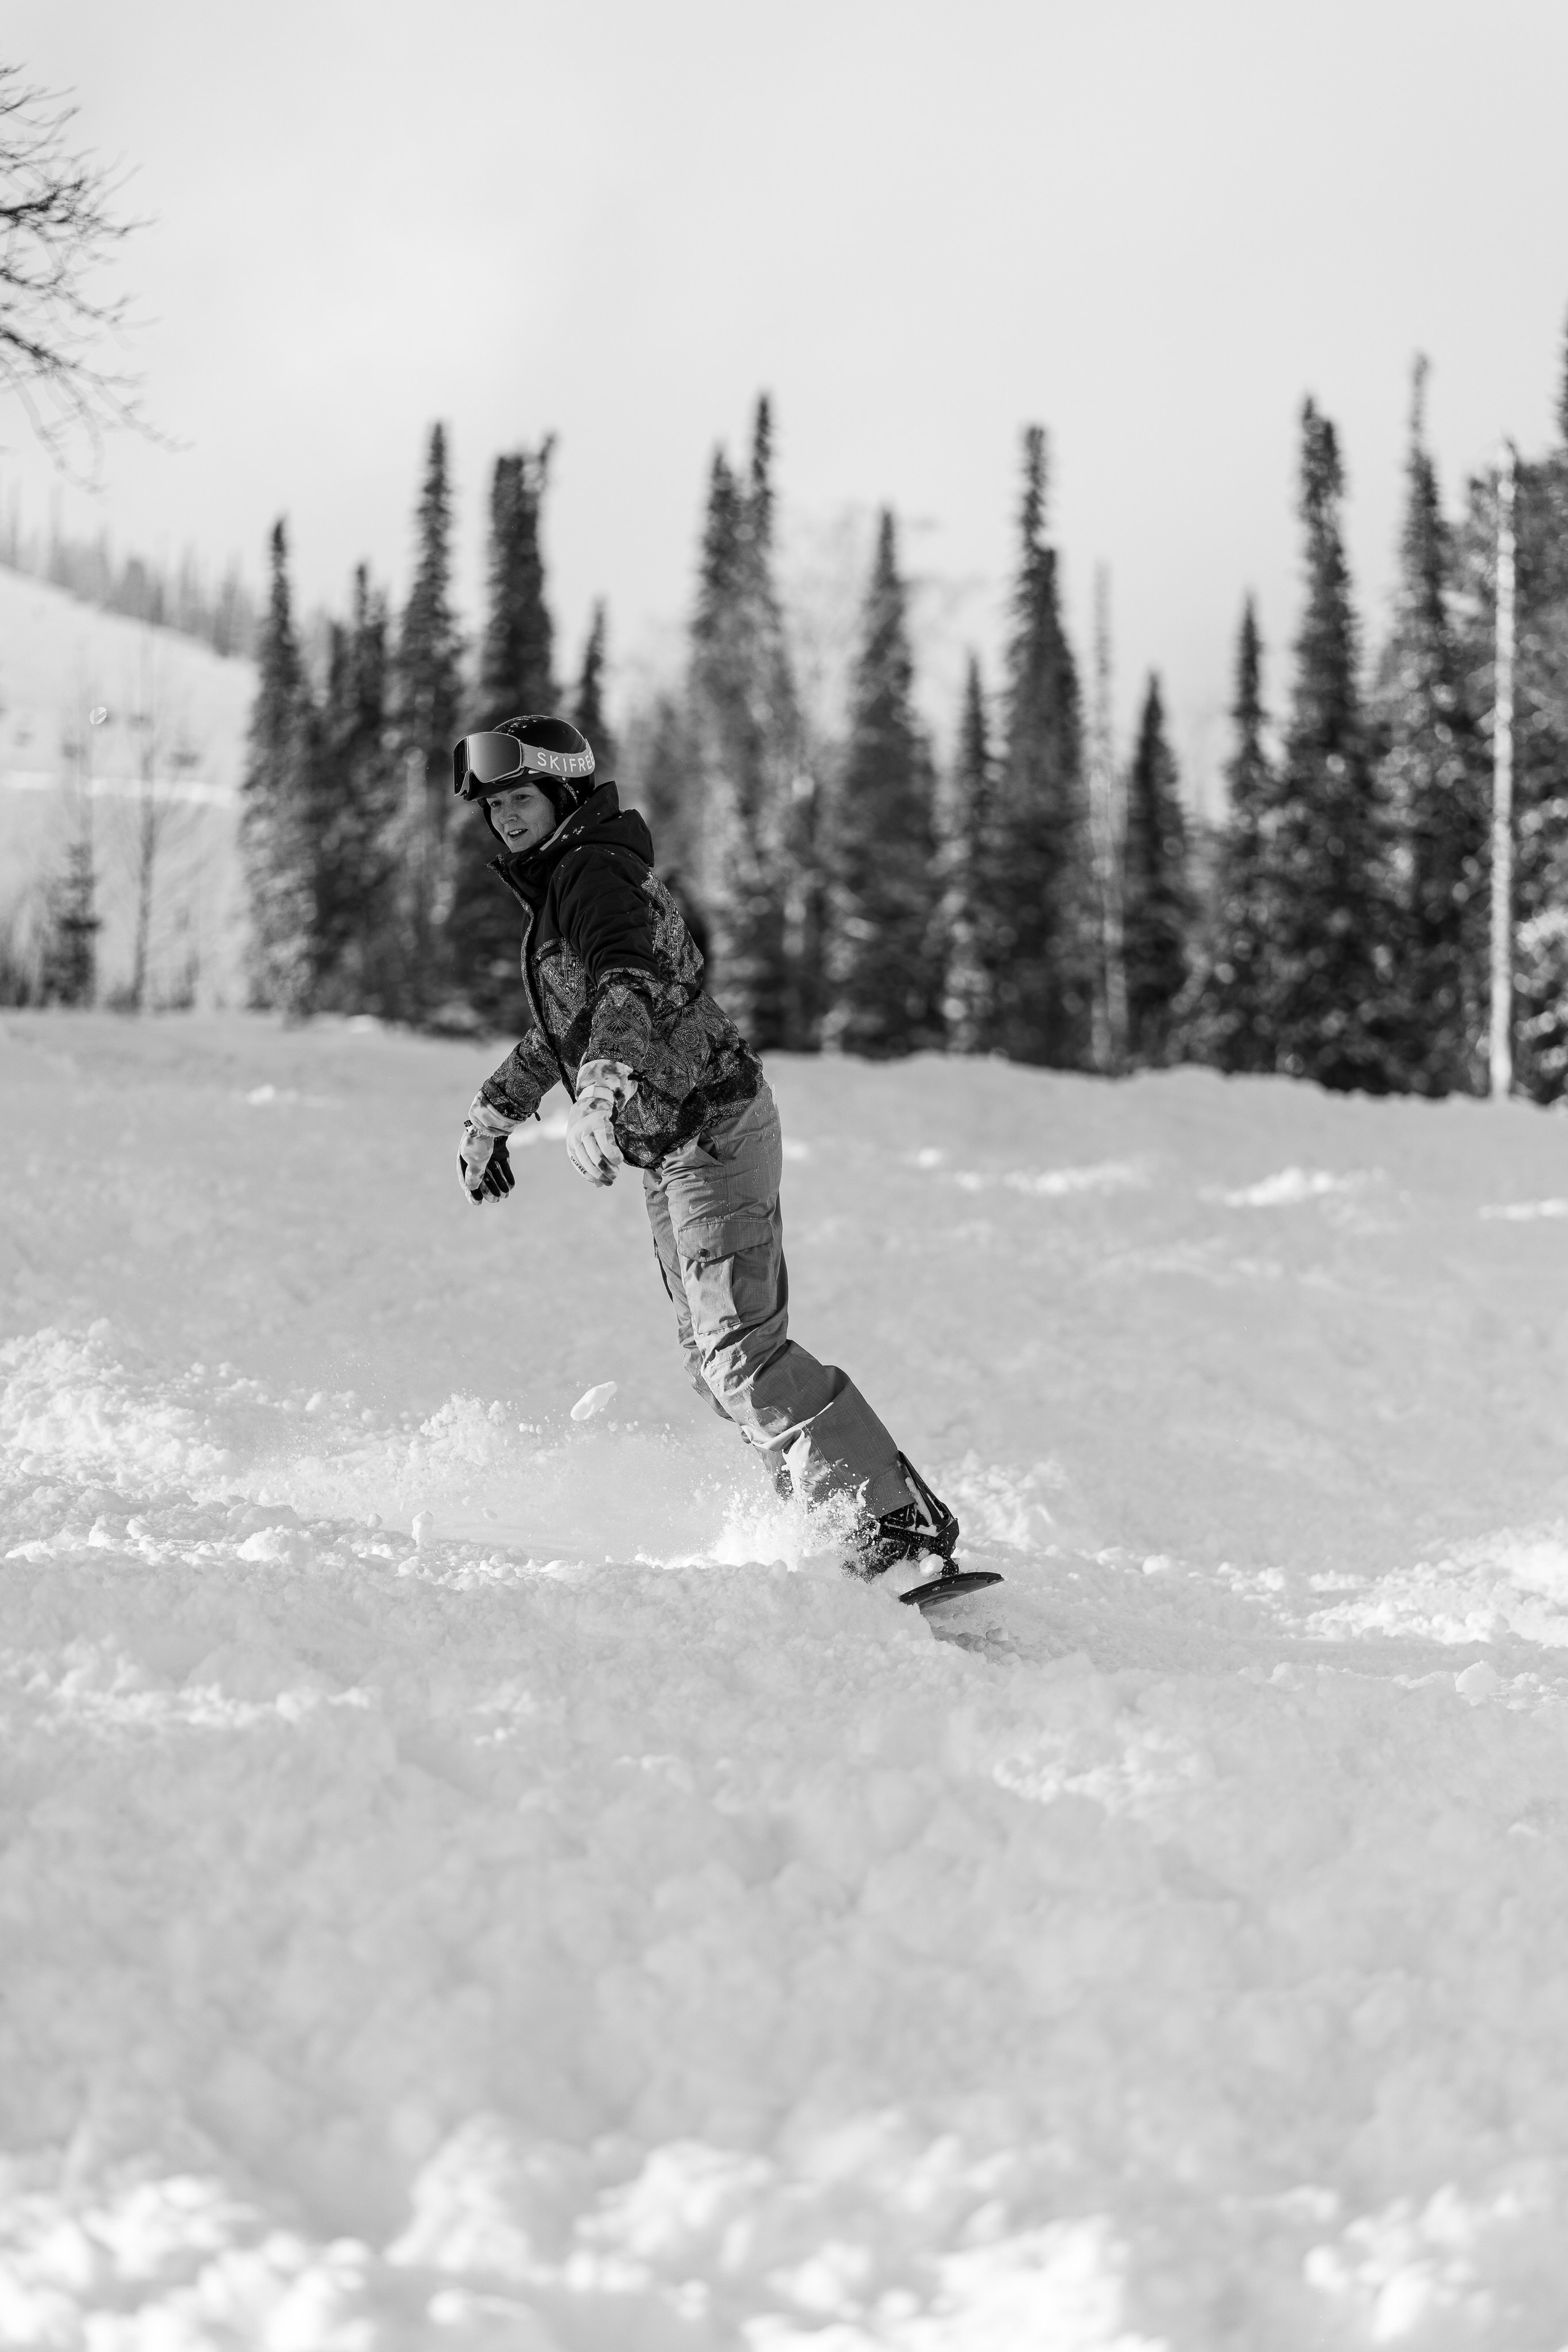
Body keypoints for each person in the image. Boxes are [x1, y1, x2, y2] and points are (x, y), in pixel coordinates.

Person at [450, 711, 960, 1586]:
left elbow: (626, 987)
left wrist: (603, 1089)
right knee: (713, 1366)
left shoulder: (593, 877)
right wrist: (496, 1112)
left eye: (521, 799)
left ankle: (891, 1525)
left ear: (564, 795)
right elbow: (565, 1031)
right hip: (672, 1146)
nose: (505, 820)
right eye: (494, 808)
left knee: (741, 1356)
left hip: (711, 1131)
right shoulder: (570, 881)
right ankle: (837, 1520)